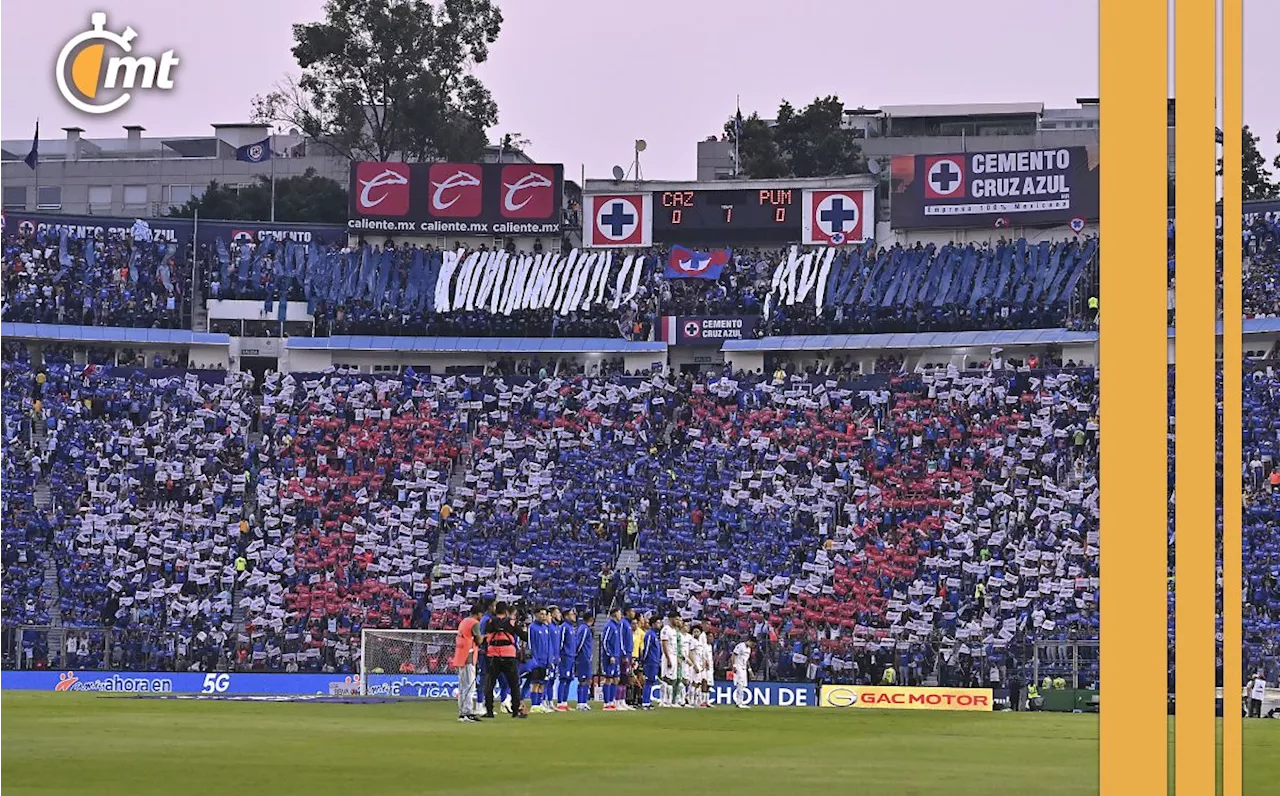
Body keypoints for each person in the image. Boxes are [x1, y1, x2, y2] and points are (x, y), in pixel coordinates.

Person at [481, 601, 527, 720]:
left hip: (493, 655)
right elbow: (523, 636)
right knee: (514, 684)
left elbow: (485, 636)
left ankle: (489, 710)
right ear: (506, 611)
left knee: (490, 683)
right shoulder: (511, 622)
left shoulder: (490, 621)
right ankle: (515, 710)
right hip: (508, 655)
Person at [451, 603, 483, 723]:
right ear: (478, 614)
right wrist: (484, 637)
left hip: (460, 655)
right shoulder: (474, 623)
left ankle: (463, 712)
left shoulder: (464, 621)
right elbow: (478, 640)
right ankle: (467, 713)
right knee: (470, 686)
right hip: (468, 656)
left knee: (463, 686)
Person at [527, 607, 555, 713]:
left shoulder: (546, 628)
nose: (543, 616)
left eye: (544, 614)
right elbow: (530, 644)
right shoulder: (532, 627)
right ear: (536, 615)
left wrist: (550, 659)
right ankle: (534, 704)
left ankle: (539, 703)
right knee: (535, 683)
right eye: (541, 614)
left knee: (542, 683)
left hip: (545, 661)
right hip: (536, 660)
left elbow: (549, 644)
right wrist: (532, 659)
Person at [600, 607, 624, 711]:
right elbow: (605, 641)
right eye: (619, 613)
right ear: (614, 614)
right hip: (610, 657)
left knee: (616, 679)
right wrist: (610, 655)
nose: (621, 615)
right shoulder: (609, 626)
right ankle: (606, 703)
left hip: (617, 656)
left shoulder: (617, 626)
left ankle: (612, 701)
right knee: (609, 678)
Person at [554, 607, 578, 712]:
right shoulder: (564, 627)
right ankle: (560, 703)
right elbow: (561, 642)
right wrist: (559, 655)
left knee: (568, 679)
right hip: (565, 656)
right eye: (572, 614)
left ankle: (564, 702)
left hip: (571, 656)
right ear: (566, 616)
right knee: (563, 679)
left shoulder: (572, 628)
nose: (574, 616)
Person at [573, 612, 594, 710]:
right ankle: (580, 703)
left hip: (587, 658)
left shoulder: (585, 628)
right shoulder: (584, 629)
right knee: (583, 680)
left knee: (588, 679)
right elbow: (580, 642)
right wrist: (576, 654)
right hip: (583, 658)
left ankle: (584, 701)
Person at [659, 612, 681, 707]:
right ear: (670, 619)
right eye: (676, 619)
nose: (677, 621)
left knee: (672, 679)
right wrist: (668, 658)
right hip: (668, 656)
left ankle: (669, 701)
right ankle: (663, 701)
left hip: (674, 655)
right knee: (666, 678)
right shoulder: (666, 629)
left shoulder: (674, 631)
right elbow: (664, 644)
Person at [640, 614, 661, 710]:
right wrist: (643, 660)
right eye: (658, 622)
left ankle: (647, 701)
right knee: (648, 682)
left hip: (655, 662)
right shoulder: (649, 634)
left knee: (651, 682)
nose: (659, 624)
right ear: (653, 624)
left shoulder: (655, 635)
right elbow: (646, 648)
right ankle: (645, 702)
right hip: (650, 662)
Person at [732, 637, 756, 709]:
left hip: (744, 667)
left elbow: (746, 660)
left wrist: (749, 669)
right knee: (740, 684)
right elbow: (733, 655)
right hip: (738, 667)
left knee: (743, 685)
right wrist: (734, 665)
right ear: (749, 641)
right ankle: (739, 702)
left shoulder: (749, 649)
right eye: (753, 644)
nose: (753, 646)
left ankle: (740, 702)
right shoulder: (740, 646)